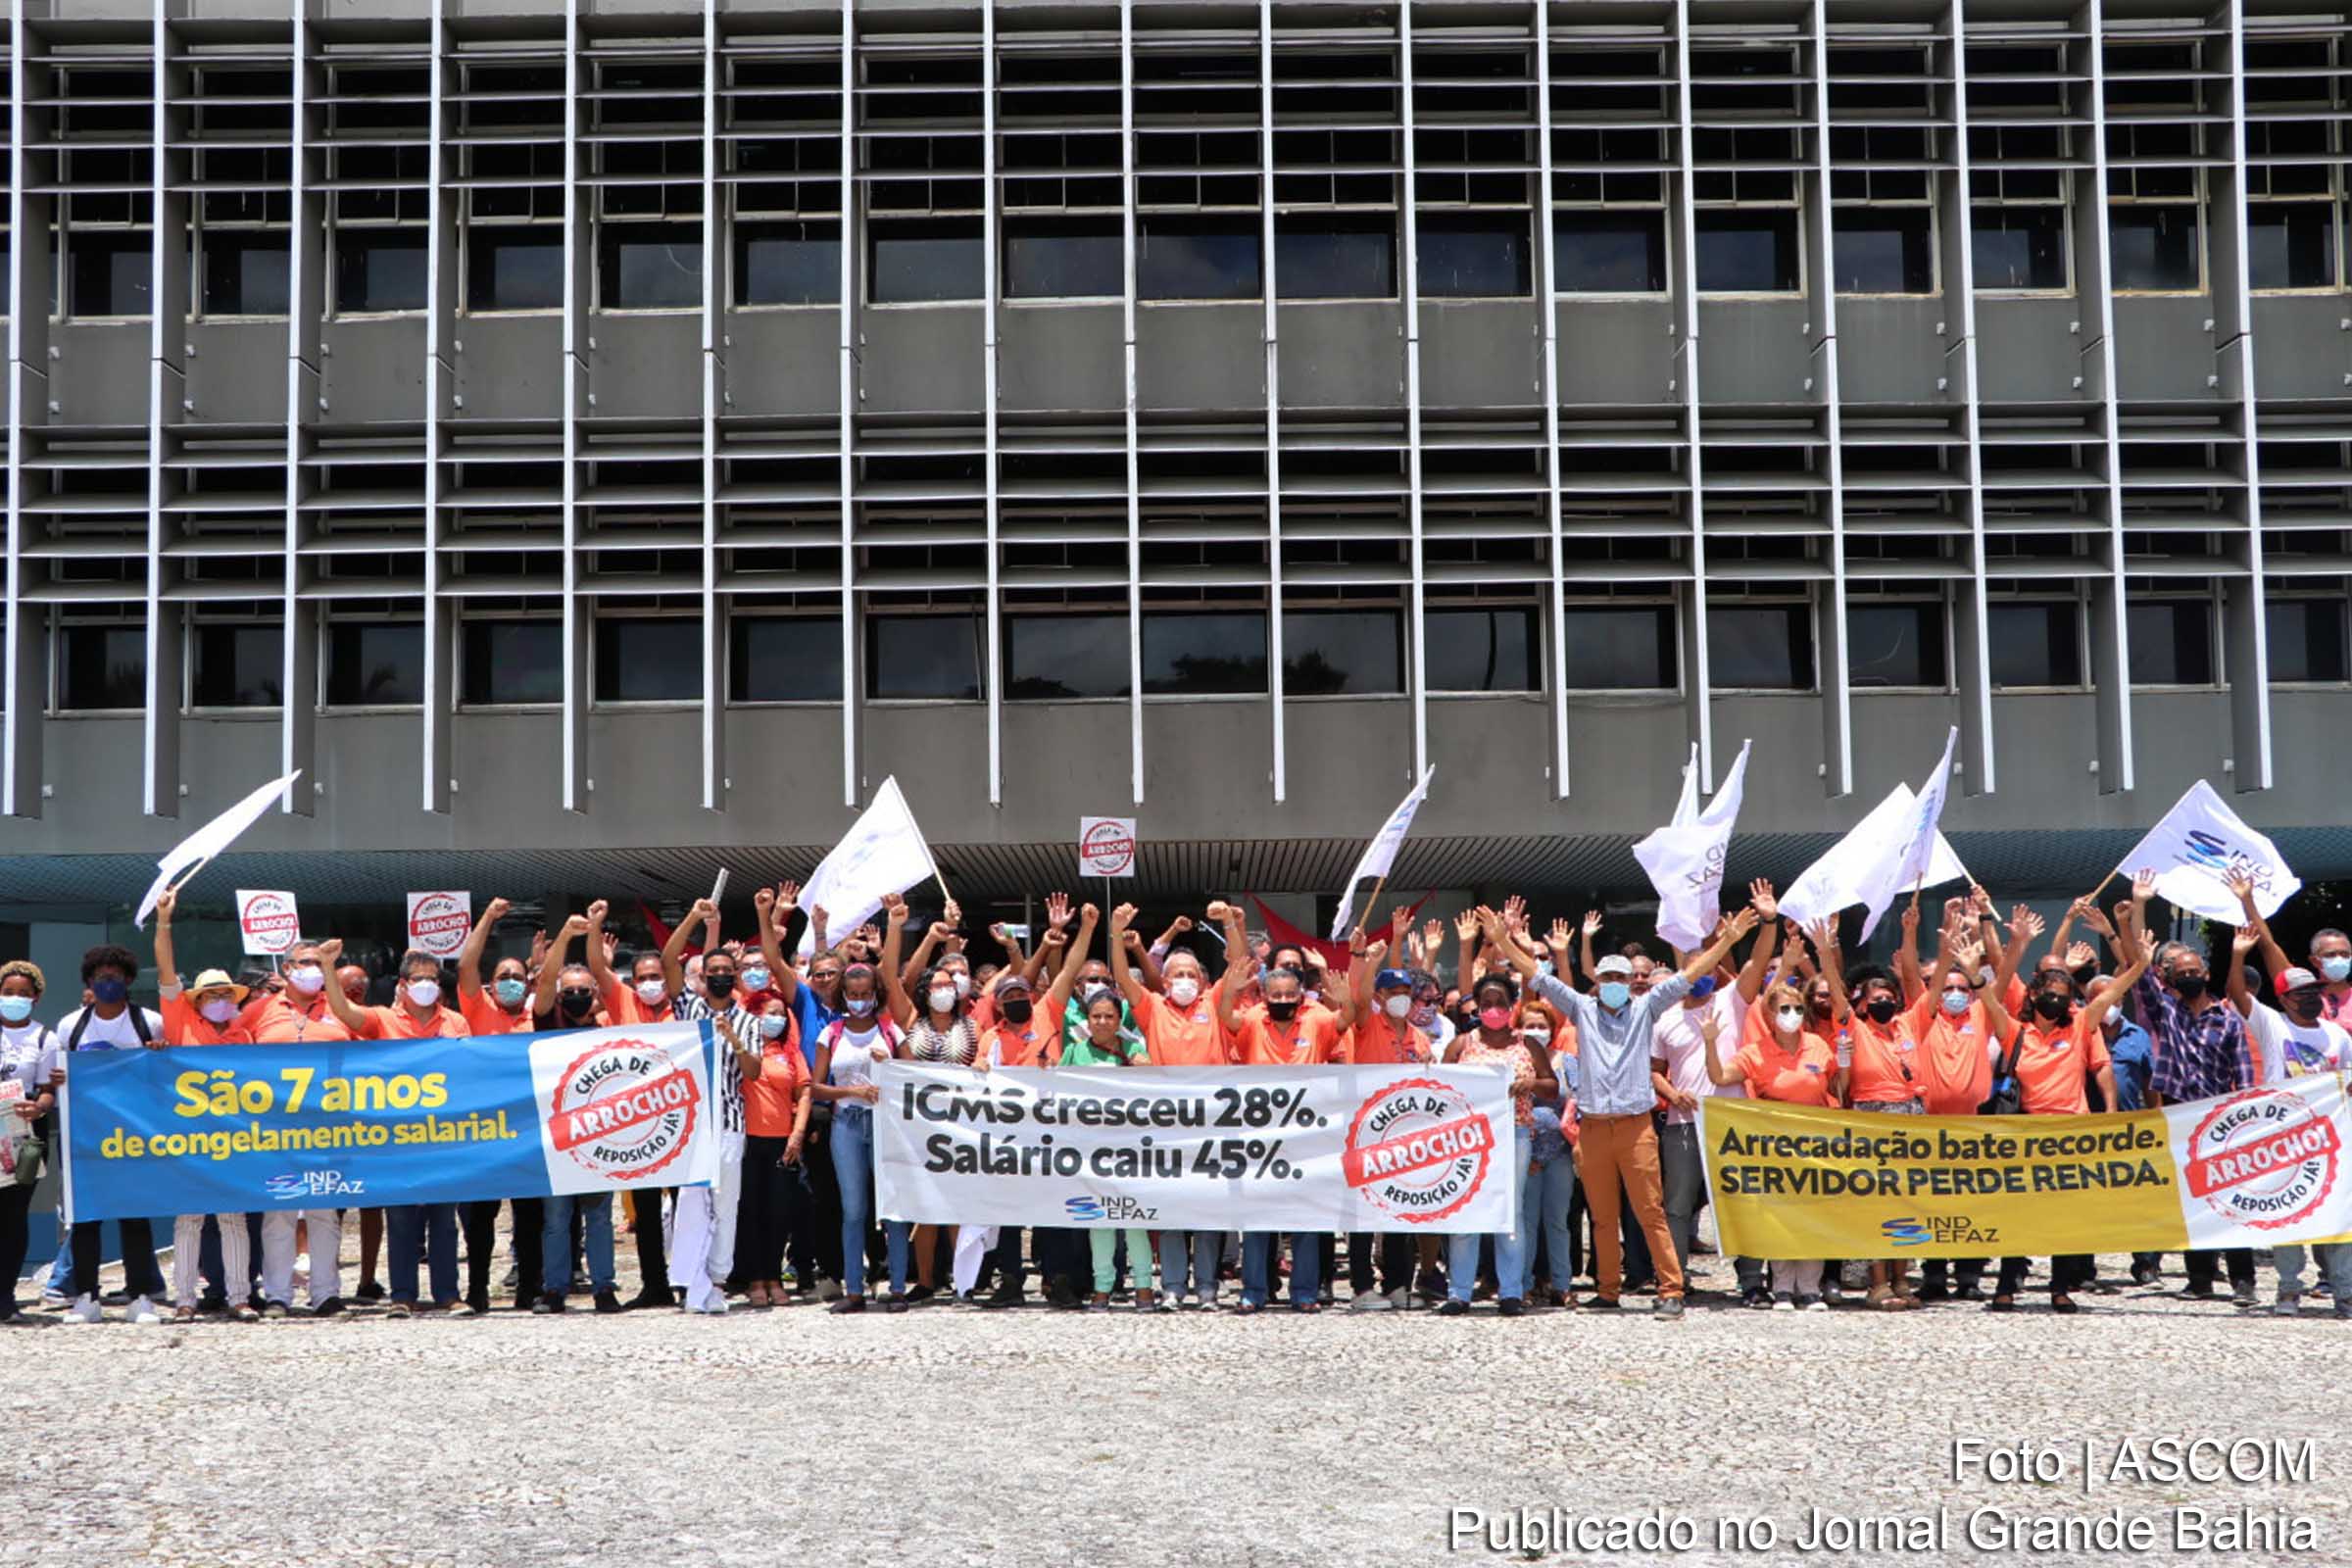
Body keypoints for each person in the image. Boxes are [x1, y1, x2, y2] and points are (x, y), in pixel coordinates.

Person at [1488, 903, 1756, 1319]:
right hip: (1594, 1127)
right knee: (1601, 1216)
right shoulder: (1580, 1008)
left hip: (1635, 1126)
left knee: (1650, 1211)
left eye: (1620, 978)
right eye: (1607, 978)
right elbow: (1537, 975)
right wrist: (1502, 940)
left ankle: (1671, 1289)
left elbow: (1691, 974)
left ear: (1631, 982)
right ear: (1597, 982)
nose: (1614, 984)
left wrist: (1727, 942)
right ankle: (1608, 1290)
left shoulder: (1647, 1007)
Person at [1974, 893, 2141, 1313]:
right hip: (2028, 1134)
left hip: (2072, 1134)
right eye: (2050, 992)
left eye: (2065, 994)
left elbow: (2124, 981)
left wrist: (2132, 944)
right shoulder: (2016, 1032)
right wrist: (1976, 970)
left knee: (2066, 1214)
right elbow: (1990, 998)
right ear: (2034, 994)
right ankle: (2007, 1284)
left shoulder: (2082, 1024)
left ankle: (2060, 1287)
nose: (2058, 1000)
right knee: (2018, 1211)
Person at [318, 939, 471, 1317]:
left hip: (442, 1138)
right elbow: (343, 1010)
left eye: (433, 979)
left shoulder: (455, 1022)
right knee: (400, 1218)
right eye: (419, 979)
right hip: (396, 1140)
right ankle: (402, 1295)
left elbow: (469, 1072)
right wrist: (327, 967)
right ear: (402, 985)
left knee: (443, 1221)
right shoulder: (383, 1019)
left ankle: (448, 1294)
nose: (427, 985)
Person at [2132, 876, 2262, 1306]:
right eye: (2181, 973)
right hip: (2179, 1115)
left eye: (2194, 971)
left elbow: (2244, 1075)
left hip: (2220, 1117)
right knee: (2192, 1198)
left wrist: (2245, 1121)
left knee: (2231, 1197)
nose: (2188, 976)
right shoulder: (2166, 1010)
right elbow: (2140, 970)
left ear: (2206, 974)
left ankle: (2243, 1279)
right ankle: (2200, 1278)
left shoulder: (2227, 1020)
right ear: (2171, 977)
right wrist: (2139, 904)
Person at [1111, 901, 1248, 1309]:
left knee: (1206, 1213)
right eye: (1177, 975)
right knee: (1169, 1212)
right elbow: (1122, 976)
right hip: (1166, 1128)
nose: (1185, 980)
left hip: (1210, 1127)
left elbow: (1237, 963)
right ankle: (1172, 1286)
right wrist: (1116, 932)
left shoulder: (1215, 1003)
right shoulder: (1153, 1007)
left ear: (1202, 981)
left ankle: (1206, 1287)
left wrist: (1229, 923)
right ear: (1165, 981)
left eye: (1191, 974)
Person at [1648, 881, 1778, 1305]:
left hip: (1732, 1122)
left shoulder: (1730, 1000)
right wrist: (1672, 1094)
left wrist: (1769, 922)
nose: (1702, 977)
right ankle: (1675, 1281)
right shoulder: (1665, 1018)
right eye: (1695, 971)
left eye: (1709, 970)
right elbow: (1653, 1071)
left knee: (1743, 1202)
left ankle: (1752, 1281)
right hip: (1683, 1123)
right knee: (1677, 1206)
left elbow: (1759, 962)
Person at [1214, 904, 1334, 1315]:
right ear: (1264, 996)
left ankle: (1304, 1292)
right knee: (1257, 1221)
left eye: (1289, 995)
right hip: (1259, 1139)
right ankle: (1254, 1291)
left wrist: (1339, 988)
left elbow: (1350, 1016)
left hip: (1306, 1139)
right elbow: (1226, 1017)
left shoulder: (1316, 1021)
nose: (1283, 999)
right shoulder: (1252, 1019)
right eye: (1275, 995)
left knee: (1304, 1221)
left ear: (1301, 996)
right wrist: (1230, 989)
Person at [1803, 916, 1925, 1311]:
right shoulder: (1854, 1028)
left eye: (1888, 996)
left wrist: (1912, 932)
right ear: (1861, 1004)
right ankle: (1877, 1283)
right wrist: (1824, 951)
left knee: (1906, 1202)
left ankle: (1902, 1278)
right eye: (1875, 999)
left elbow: (1924, 984)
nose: (1883, 1003)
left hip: (1910, 1120)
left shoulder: (1908, 1024)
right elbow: (1836, 995)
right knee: (1877, 1203)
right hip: (1871, 1118)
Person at [151, 891, 261, 1323]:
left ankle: (239, 1297)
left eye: (225, 994)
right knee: (190, 1218)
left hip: (233, 1135)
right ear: (197, 1000)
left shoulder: (243, 1035)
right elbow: (165, 969)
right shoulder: (180, 1022)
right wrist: (164, 920)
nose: (220, 1000)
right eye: (211, 994)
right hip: (191, 1134)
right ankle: (185, 1299)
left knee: (234, 1219)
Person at [1701, 980, 1837, 1309]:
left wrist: (1845, 1063)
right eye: (1785, 1009)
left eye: (1798, 1008)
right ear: (1771, 1015)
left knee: (1813, 1215)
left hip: (1816, 1144)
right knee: (1780, 1216)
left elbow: (1836, 1085)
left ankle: (1810, 1288)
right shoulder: (1755, 1051)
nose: (1793, 1014)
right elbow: (1720, 1077)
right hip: (1775, 1146)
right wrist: (1710, 1042)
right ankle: (1783, 1288)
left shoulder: (1818, 1045)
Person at [57, 942, 168, 1324]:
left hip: (134, 1136)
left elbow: (163, 1076)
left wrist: (160, 1055)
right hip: (86, 1136)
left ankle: (140, 1296)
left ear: (129, 980)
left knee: (135, 1216)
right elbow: (59, 1076)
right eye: (100, 977)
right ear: (89, 981)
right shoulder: (71, 1025)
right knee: (85, 1218)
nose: (108, 982)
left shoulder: (149, 1022)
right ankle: (86, 1296)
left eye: (115, 976)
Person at [664, 898, 760, 1315]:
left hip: (730, 1123)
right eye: (712, 971)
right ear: (703, 976)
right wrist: (694, 917)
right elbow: (668, 960)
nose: (719, 976)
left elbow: (753, 1071)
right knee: (689, 1203)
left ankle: (717, 1280)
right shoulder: (690, 1007)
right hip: (691, 1123)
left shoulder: (749, 1020)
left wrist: (734, 1040)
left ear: (735, 976)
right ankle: (689, 1279)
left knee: (725, 1205)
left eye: (726, 971)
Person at [452, 896, 547, 1314]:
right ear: (491, 985)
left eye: (517, 976)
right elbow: (466, 966)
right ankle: (477, 1290)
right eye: (503, 976)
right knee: (479, 1219)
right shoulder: (478, 1009)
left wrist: (541, 967)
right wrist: (488, 917)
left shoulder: (536, 1015)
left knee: (529, 1218)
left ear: (528, 983)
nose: (510, 981)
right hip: (483, 1132)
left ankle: (529, 1288)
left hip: (528, 1131)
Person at [757, 883, 847, 1301]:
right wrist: (769, 915)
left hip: (848, 1111)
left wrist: (824, 933)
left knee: (841, 1197)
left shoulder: (856, 1004)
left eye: (832, 974)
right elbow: (773, 959)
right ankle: (808, 1271)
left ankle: (842, 1270)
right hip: (809, 1111)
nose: (825, 979)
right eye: (818, 974)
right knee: (806, 1197)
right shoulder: (805, 1000)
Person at [1438, 972, 1546, 1317]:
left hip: (1514, 1134)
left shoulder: (1528, 1045)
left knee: (1511, 1211)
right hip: (1467, 1139)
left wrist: (1531, 1083)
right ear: (1477, 1007)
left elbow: (1552, 1087)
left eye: (1500, 1002)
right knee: (1466, 1209)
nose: (1493, 1008)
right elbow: (1439, 1087)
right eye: (1486, 1003)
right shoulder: (1462, 1044)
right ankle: (1459, 1292)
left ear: (1512, 1005)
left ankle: (1511, 1291)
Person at [1341, 936, 1435, 1309]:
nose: (1401, 998)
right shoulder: (1368, 1023)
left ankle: (1398, 1284)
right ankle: (1362, 1287)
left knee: (1400, 1207)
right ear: (1381, 996)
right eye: (1393, 992)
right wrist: (1369, 962)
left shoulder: (1420, 1037)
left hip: (1405, 1135)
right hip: (1367, 1131)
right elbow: (1360, 999)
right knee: (1363, 1212)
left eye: (1406, 992)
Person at [811, 958, 905, 1314]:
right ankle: (854, 1290)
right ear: (843, 996)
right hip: (847, 1124)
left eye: (865, 994)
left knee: (893, 1207)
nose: (859, 1001)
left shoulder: (891, 1031)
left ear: (876, 995)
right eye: (853, 995)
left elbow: (914, 1077)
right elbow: (816, 1087)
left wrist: (888, 1066)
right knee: (853, 1209)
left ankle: (897, 1287)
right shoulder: (831, 1034)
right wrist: (852, 1092)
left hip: (886, 1124)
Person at [1062, 989, 1161, 1310]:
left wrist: (1146, 1069)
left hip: (1131, 1150)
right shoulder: (1074, 1052)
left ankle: (1144, 1286)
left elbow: (1158, 1094)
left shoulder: (1134, 1049)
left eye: (1109, 1016)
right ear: (1087, 1020)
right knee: (1099, 1221)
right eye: (1096, 1016)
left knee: (1135, 1220)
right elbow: (1055, 1093)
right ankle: (1102, 1286)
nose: (1103, 1022)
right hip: (1091, 1153)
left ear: (1120, 1020)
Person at [731, 994, 811, 1308]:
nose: (776, 1019)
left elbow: (804, 1093)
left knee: (779, 1212)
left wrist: (797, 1134)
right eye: (770, 1013)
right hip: (748, 1141)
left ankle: (774, 1277)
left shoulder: (791, 1053)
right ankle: (754, 1279)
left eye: (781, 1014)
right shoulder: (742, 1049)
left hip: (782, 1142)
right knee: (750, 1211)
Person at [0, 960, 59, 1321]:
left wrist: (39, 1106)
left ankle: (5, 1297)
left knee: (12, 1215)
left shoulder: (44, 1038)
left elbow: (48, 1090)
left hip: (24, 1137)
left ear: (35, 998)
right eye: (8, 992)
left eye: (23, 993)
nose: (14, 998)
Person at [1517, 997, 1577, 1306]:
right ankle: (1522, 1285)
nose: (1536, 1030)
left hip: (1560, 1153)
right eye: (1530, 1025)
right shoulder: (1515, 1061)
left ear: (1552, 1029)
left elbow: (1578, 1100)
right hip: (1524, 1154)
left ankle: (1561, 1284)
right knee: (1525, 1222)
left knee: (1557, 1221)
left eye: (1542, 1025)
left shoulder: (1568, 1061)